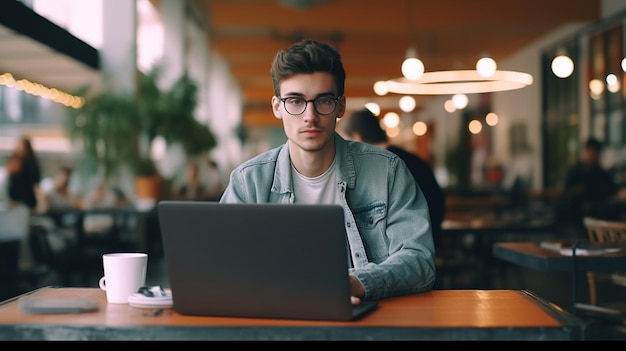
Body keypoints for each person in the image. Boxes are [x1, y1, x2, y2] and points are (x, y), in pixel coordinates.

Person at [219, 39, 436, 303]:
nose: (310, 115)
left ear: (340, 106)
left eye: (323, 100)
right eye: (295, 101)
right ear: (278, 107)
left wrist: (356, 283)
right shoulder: (248, 182)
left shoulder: (387, 171)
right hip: (276, 319)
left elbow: (419, 260)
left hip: (367, 321)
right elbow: (223, 264)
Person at [340, 108, 446, 238]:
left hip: (411, 242)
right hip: (430, 237)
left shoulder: (384, 165)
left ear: (357, 139)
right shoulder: (411, 159)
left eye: (347, 142)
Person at [556, 137, 618, 227]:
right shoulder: (575, 171)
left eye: (595, 152)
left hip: (598, 215)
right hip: (576, 216)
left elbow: (610, 191)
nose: (592, 155)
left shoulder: (602, 174)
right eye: (590, 152)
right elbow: (566, 189)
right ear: (586, 151)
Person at [7, 136, 44, 214]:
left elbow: (36, 184)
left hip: (26, 200)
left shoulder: (31, 165)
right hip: (16, 200)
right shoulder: (16, 161)